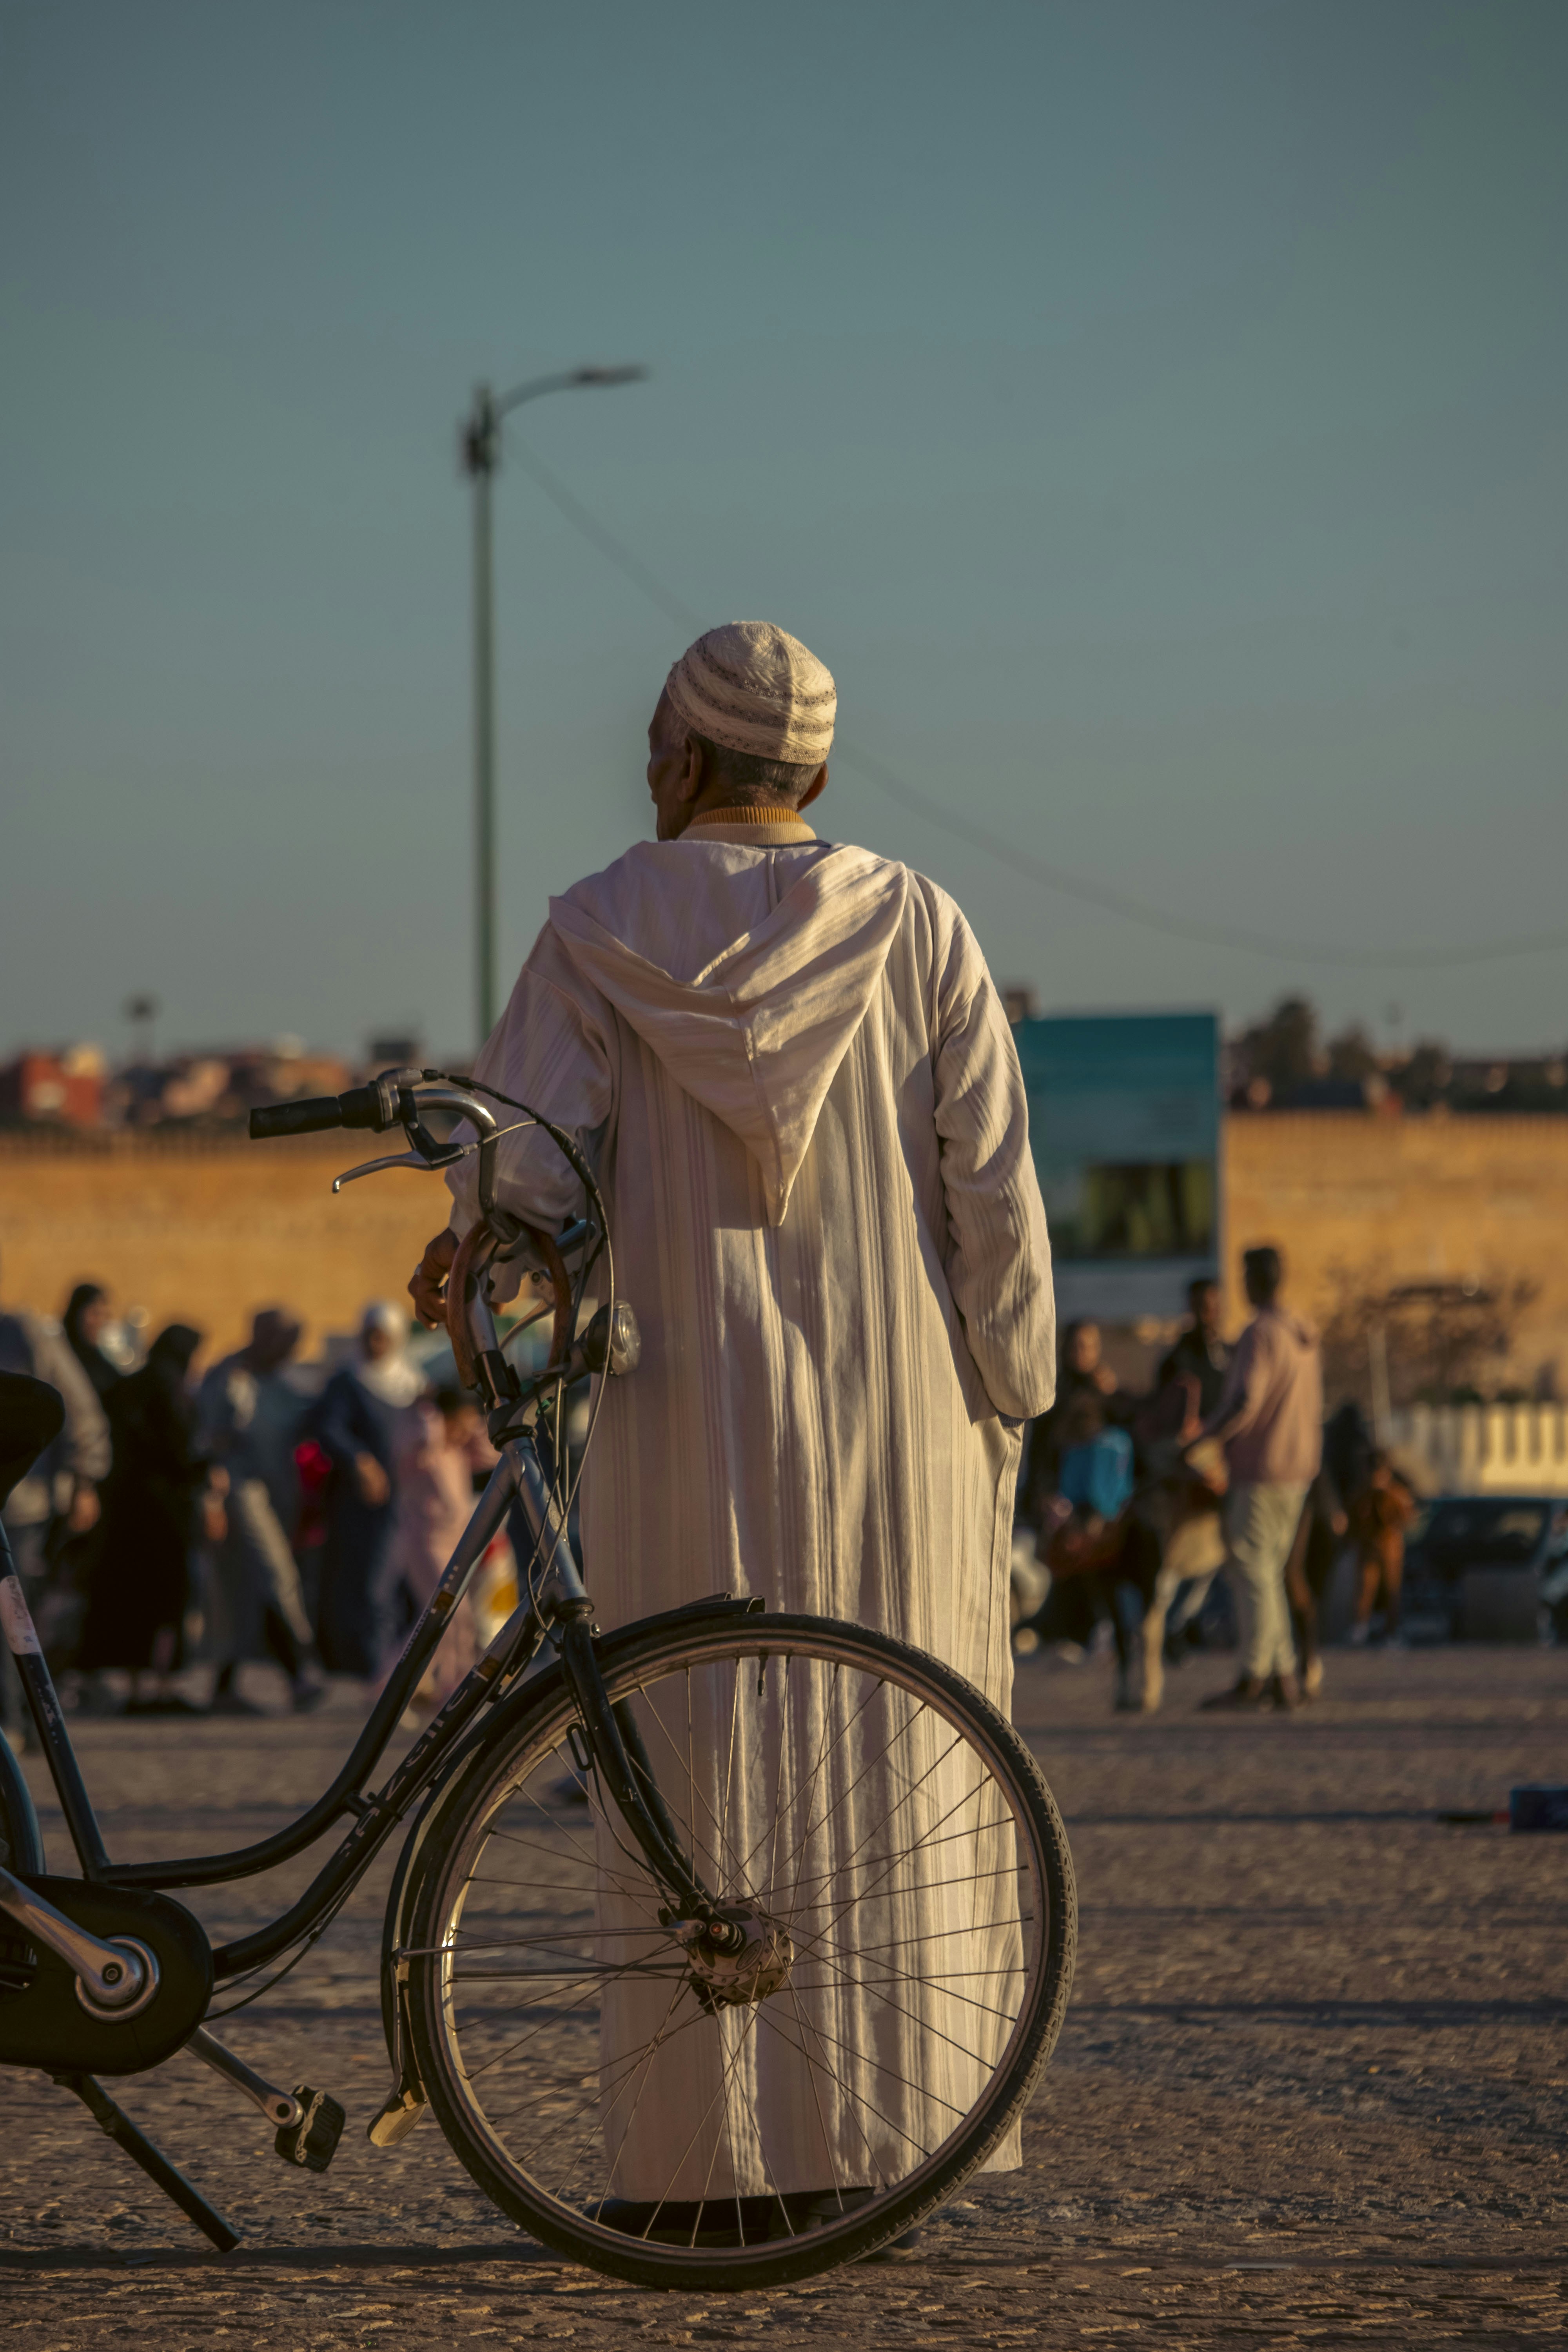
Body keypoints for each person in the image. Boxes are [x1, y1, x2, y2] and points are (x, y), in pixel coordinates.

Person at [407, 620, 1055, 2234]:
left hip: (678, 1408)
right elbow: (996, 1199)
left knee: (693, 1767)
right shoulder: (920, 924)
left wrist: (478, 1232)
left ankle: (703, 2179)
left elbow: (530, 1179)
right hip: (901, 1423)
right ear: (815, 772)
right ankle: (891, 2148)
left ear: (680, 760)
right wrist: (1009, 1393)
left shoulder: (596, 928)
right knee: (896, 1757)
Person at [1191, 1245, 1322, 1712]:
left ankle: (1256, 1674)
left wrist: (1204, 1438)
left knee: (1252, 1568)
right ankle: (1283, 1674)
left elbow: (1245, 1398)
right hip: (1299, 1470)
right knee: (1268, 1571)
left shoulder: (1260, 1334)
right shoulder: (1301, 1333)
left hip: (1261, 1468)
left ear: (1255, 1280)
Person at [76, 1325, 216, 1710]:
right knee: (166, 1601)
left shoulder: (129, 1385)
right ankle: (161, 1688)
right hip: (165, 1514)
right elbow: (179, 1449)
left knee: (135, 1603)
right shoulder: (167, 1389)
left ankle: (139, 1687)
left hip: (128, 1512)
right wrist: (211, 1461)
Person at [0, 1276, 111, 1744]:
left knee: (9, 1617)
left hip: (19, 1502)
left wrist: (85, 1480)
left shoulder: (22, 1330)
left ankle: (12, 1723)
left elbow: (78, 1408)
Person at [198, 1308, 323, 1713]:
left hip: (276, 1492)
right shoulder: (229, 1377)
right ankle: (300, 1671)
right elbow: (209, 1438)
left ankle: (225, 1685)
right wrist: (212, 1495)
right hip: (239, 1490)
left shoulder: (284, 1382)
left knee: (240, 1592)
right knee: (277, 1575)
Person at [313, 1303, 421, 1681]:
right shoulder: (349, 1381)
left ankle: (399, 1663)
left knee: (405, 1582)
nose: (376, 1343)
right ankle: (370, 1664)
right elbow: (330, 1428)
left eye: (383, 1336)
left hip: (407, 1499)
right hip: (362, 1501)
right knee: (368, 1582)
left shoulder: (411, 1382)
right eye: (370, 1335)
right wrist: (360, 1461)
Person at [1348, 1450, 1415, 1644]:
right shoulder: (1361, 1493)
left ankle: (1392, 1631)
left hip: (1390, 1548)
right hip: (1368, 1547)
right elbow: (1353, 1519)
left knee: (1392, 1591)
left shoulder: (1395, 1493)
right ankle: (1360, 1628)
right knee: (1364, 1590)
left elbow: (1407, 1517)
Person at [1157, 1278, 1231, 1419]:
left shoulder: (1228, 1352)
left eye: (1214, 1306)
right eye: (1202, 1307)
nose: (1208, 1314)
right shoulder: (1181, 1355)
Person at [62, 1283, 124, 1408]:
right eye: (95, 1314)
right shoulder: (57, 1356)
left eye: (105, 1316)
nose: (100, 1323)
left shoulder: (101, 1362)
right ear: (76, 1312)